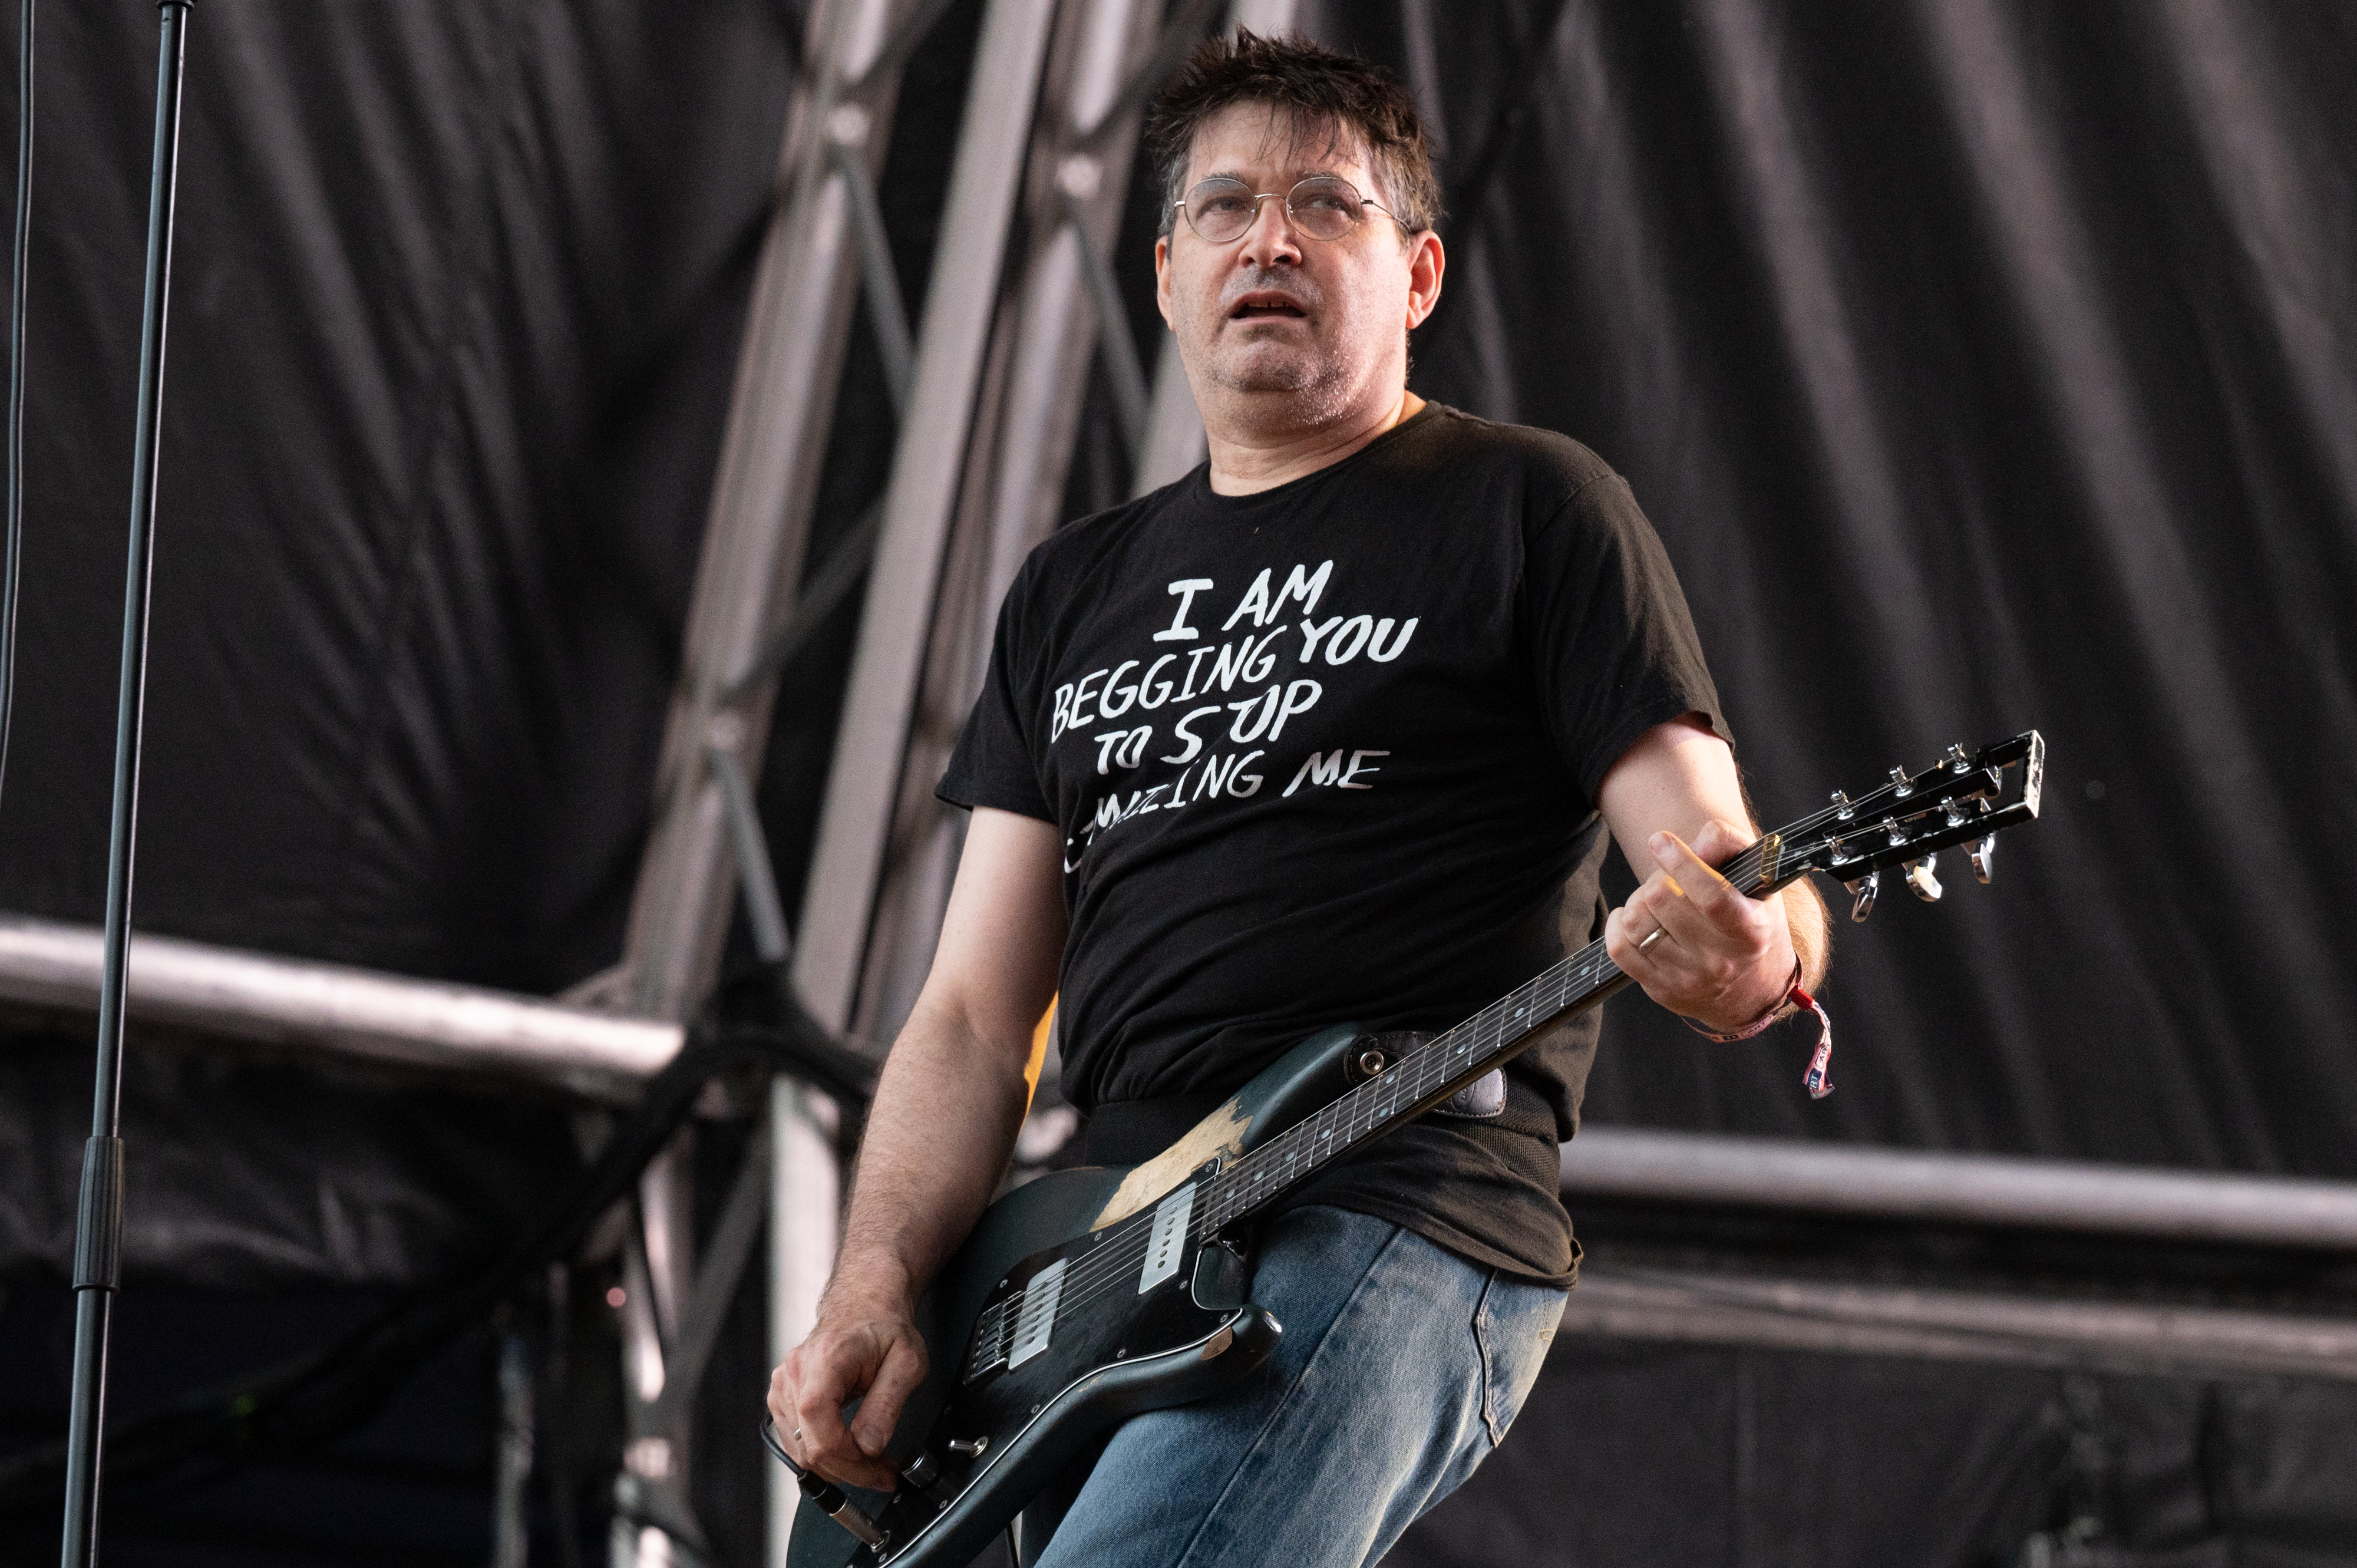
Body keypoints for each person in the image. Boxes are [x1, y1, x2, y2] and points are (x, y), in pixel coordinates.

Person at [770, 30, 1828, 1568]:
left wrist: (1762, 948)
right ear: (1162, 274)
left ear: (1417, 278)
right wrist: (874, 1284)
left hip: (1396, 1197)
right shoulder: (1073, 589)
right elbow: (971, 1023)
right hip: (1095, 1248)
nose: (1268, 237)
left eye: (1327, 206)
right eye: (1225, 206)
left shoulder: (1526, 509)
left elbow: (1732, 860)